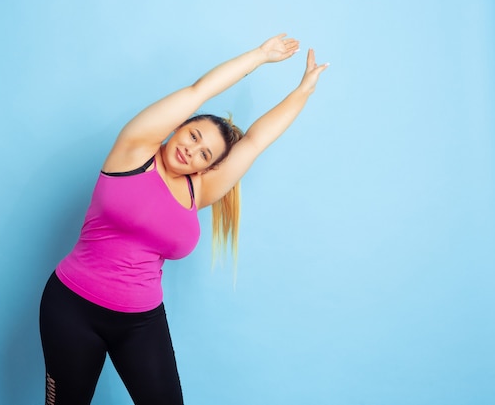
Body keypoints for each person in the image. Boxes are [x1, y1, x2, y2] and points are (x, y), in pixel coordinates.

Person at [39, 33, 328, 405]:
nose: (191, 150)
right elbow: (198, 91)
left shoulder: (199, 192)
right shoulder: (135, 150)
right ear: (179, 125)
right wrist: (259, 56)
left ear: (209, 168)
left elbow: (256, 140)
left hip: (140, 322)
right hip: (72, 307)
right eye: (192, 135)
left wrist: (304, 90)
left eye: (204, 153)